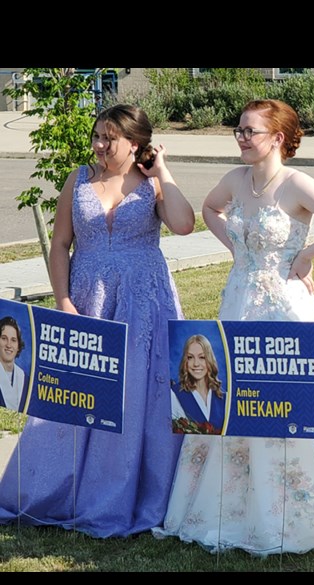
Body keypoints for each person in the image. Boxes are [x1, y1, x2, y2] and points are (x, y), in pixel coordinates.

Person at [154, 99, 314, 555]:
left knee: (283, 398)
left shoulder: (296, 184)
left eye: (251, 131)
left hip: (285, 307)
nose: (242, 137)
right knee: (234, 395)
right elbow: (211, 210)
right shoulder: (235, 179)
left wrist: (306, 256)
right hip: (238, 301)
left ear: (278, 138)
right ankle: (227, 507)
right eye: (239, 130)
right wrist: (236, 246)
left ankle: (291, 510)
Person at [0, 104, 195, 537]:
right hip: (88, 298)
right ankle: (58, 490)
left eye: (110, 138)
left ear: (135, 143)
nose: (100, 145)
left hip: (144, 303)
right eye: (97, 136)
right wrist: (63, 300)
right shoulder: (78, 179)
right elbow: (60, 245)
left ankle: (129, 493)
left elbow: (183, 224)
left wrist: (163, 171)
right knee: (77, 394)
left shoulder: (152, 185)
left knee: (139, 395)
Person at [170, 334, 226, 435]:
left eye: (202, 357)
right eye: (190, 357)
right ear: (185, 361)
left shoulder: (224, 398)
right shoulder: (174, 394)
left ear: (209, 360)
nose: (196, 363)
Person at [0, 316, 26, 413]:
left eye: (13, 340)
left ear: (18, 346)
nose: (9, 345)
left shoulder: (25, 379)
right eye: (4, 338)